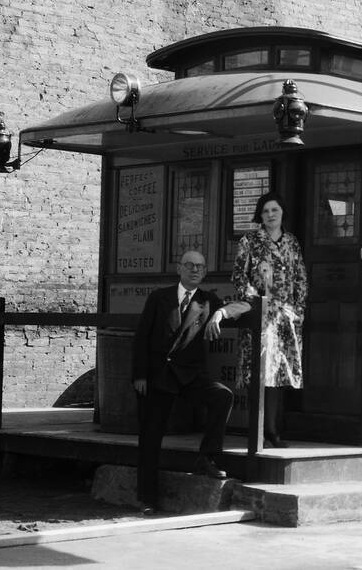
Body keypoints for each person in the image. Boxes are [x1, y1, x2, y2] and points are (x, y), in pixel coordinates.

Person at [132, 250, 246, 515]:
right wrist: (139, 375)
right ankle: (146, 498)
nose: (195, 270)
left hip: (190, 376)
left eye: (200, 267)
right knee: (150, 437)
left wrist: (219, 314)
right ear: (179, 269)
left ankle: (207, 458)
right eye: (190, 265)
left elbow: (245, 306)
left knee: (222, 396)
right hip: (157, 377)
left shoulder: (208, 301)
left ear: (205, 273)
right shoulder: (159, 298)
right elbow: (141, 339)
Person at [231, 191, 309, 448]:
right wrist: (254, 305)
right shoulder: (250, 241)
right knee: (261, 373)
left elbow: (301, 277)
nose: (270, 215)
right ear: (260, 216)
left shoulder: (292, 242)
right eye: (265, 211)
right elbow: (240, 278)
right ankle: (258, 431)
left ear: (282, 212)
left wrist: (297, 309)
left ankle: (274, 431)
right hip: (260, 318)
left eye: (274, 210)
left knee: (280, 376)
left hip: (286, 319)